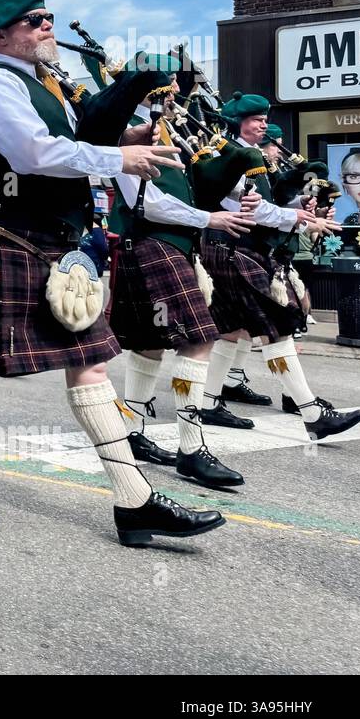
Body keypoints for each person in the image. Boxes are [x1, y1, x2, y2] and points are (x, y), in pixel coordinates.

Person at [0, 0, 224, 546]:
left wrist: (125, 135)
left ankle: (133, 501)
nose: (47, 27)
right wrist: (120, 156)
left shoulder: (49, 88)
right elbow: (34, 154)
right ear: (0, 36)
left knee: (91, 367)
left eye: (50, 18)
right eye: (36, 20)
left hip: (58, 248)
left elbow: (75, 140)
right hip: (11, 240)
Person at [107, 55, 257, 489]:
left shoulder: (169, 130)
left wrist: (233, 193)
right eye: (167, 84)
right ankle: (192, 449)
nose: (175, 91)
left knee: (152, 344)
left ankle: (132, 431)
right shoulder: (123, 131)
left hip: (170, 245)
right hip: (155, 244)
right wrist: (207, 219)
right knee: (199, 340)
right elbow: (146, 202)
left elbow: (197, 188)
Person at [197, 93, 358, 440]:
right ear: (238, 122)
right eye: (255, 119)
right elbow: (248, 209)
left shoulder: (252, 157)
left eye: (264, 119)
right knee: (278, 326)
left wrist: (302, 205)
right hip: (233, 248)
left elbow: (267, 204)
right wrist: (296, 216)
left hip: (237, 249)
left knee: (232, 330)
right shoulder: (228, 156)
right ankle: (312, 413)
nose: (263, 125)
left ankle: (208, 403)